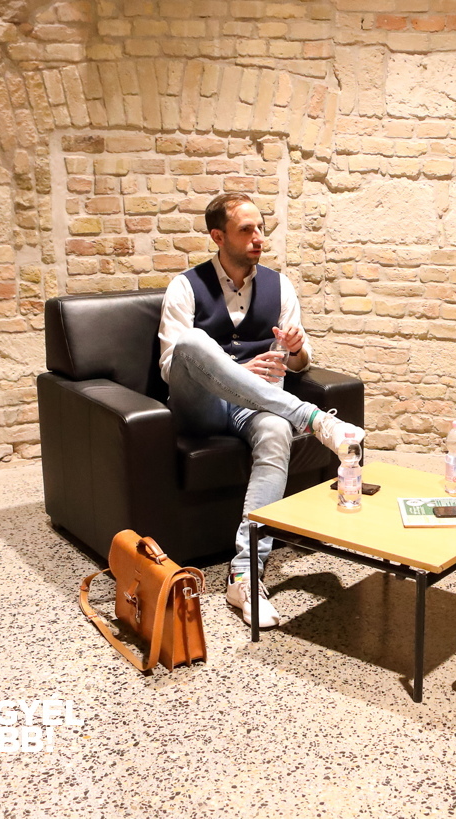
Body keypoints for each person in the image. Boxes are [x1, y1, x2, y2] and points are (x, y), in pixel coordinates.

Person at [158, 192, 364, 629]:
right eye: (246, 230)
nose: (258, 238)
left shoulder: (279, 286)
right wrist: (235, 371)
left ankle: (244, 575)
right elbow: (170, 367)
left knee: (276, 431)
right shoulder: (185, 286)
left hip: (256, 406)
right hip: (201, 407)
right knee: (192, 341)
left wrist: (294, 351)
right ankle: (313, 418)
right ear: (218, 237)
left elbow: (301, 362)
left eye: (261, 228)